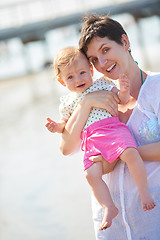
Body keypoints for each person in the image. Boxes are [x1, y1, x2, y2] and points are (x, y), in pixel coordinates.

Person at [58, 15, 160, 239]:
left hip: (152, 220)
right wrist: (85, 104)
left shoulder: (156, 87)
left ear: (124, 42)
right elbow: (66, 148)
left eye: (105, 50)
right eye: (93, 59)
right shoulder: (95, 96)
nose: (102, 63)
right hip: (112, 229)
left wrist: (117, 155)